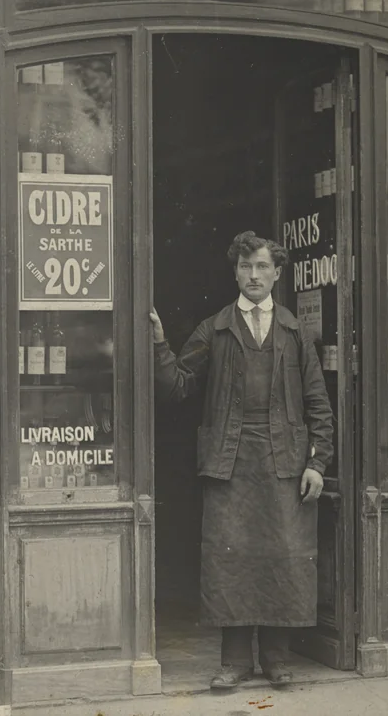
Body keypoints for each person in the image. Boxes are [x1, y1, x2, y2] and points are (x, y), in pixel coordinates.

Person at [150, 231, 334, 689]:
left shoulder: (293, 332)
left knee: (281, 557)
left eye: (262, 267)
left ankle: (275, 658)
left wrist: (318, 463)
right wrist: (158, 345)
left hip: (284, 463)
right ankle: (234, 661)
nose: (254, 275)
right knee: (230, 559)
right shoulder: (214, 328)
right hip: (229, 461)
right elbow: (178, 385)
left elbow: (319, 405)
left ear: (276, 273)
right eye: (246, 267)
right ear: (235, 272)